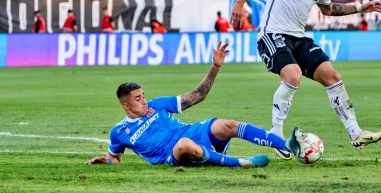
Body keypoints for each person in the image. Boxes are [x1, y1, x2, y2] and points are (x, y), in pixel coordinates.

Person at [230, 0, 381, 160]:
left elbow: (329, 10)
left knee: (331, 75)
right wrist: (239, 4)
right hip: (271, 34)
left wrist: (362, 8)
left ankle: (356, 132)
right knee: (292, 75)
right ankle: (275, 135)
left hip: (298, 38)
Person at [84, 42, 310, 167]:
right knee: (184, 143)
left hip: (194, 133)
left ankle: (286, 144)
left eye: (143, 95)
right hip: (173, 154)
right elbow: (115, 158)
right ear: (126, 106)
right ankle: (241, 163)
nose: (144, 100)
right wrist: (105, 161)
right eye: (137, 98)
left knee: (226, 125)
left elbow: (198, 95)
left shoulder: (158, 105)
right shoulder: (119, 132)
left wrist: (215, 67)